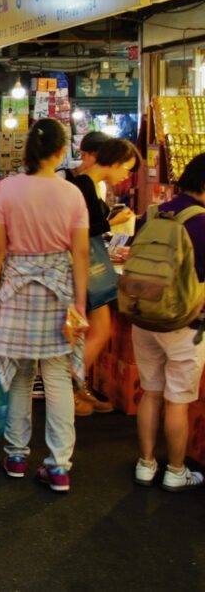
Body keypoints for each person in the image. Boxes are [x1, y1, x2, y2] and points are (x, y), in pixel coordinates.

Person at [0, 118, 89, 494]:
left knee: (21, 376)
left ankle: (15, 456)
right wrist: (80, 304)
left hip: (16, 290)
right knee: (58, 376)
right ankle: (59, 467)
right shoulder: (72, 194)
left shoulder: (7, 189)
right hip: (60, 293)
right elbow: (79, 253)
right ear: (62, 152)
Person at [132, 154, 205, 492]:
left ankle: (146, 464)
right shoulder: (202, 223)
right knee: (178, 401)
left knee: (151, 393)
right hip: (183, 324)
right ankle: (176, 470)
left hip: (144, 317)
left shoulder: (154, 212)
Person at [69, 138, 140, 416]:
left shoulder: (88, 185)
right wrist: (114, 222)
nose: (126, 175)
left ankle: (76, 388)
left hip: (89, 264)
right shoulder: (83, 185)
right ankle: (70, 389)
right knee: (91, 330)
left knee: (91, 330)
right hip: (84, 266)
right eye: (126, 168)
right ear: (114, 161)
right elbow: (80, 230)